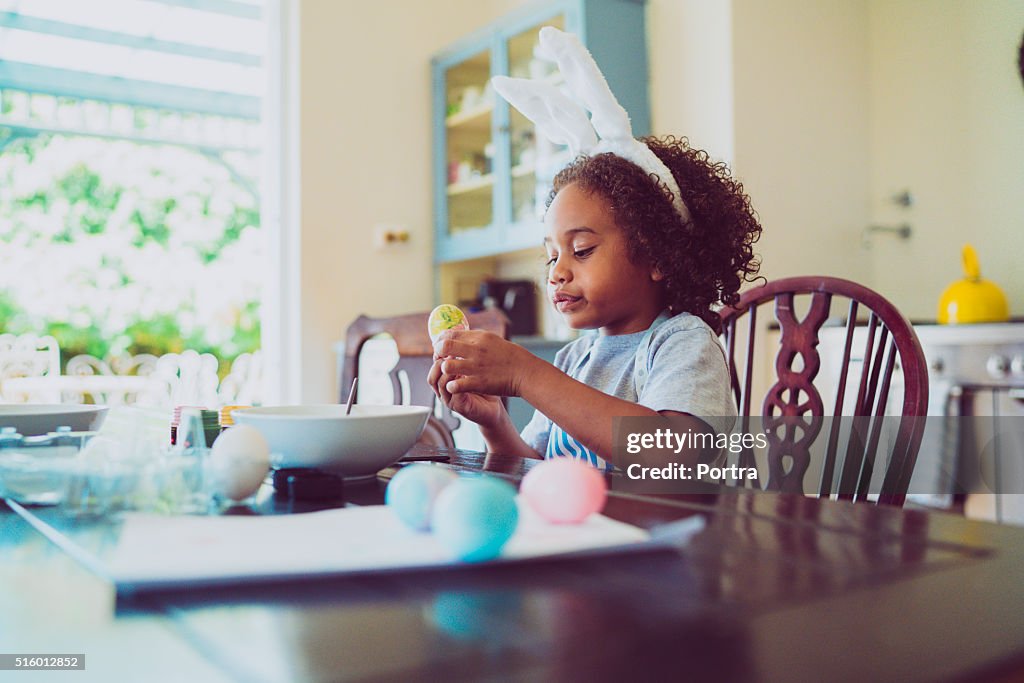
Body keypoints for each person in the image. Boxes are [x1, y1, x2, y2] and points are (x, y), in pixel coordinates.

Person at [427, 27, 761, 470]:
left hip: (677, 537)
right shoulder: (573, 359)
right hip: (598, 535)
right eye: (551, 256)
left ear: (658, 255)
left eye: (581, 250)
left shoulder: (681, 343)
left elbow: (676, 456)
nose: (556, 272)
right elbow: (535, 469)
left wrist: (527, 374)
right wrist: (492, 423)